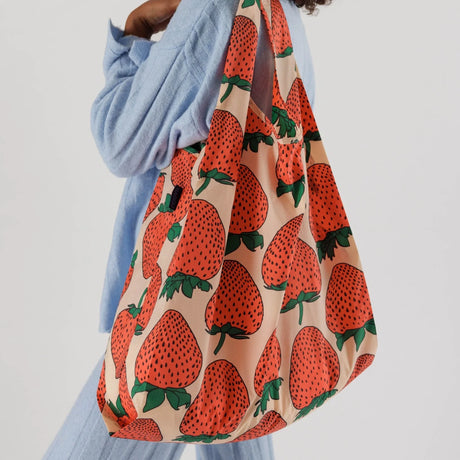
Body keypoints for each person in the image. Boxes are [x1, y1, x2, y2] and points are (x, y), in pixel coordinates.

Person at [42, 0, 329, 458]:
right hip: (251, 307)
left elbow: (120, 140)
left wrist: (135, 33)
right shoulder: (284, 16)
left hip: (174, 299)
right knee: (238, 427)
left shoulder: (215, 7)